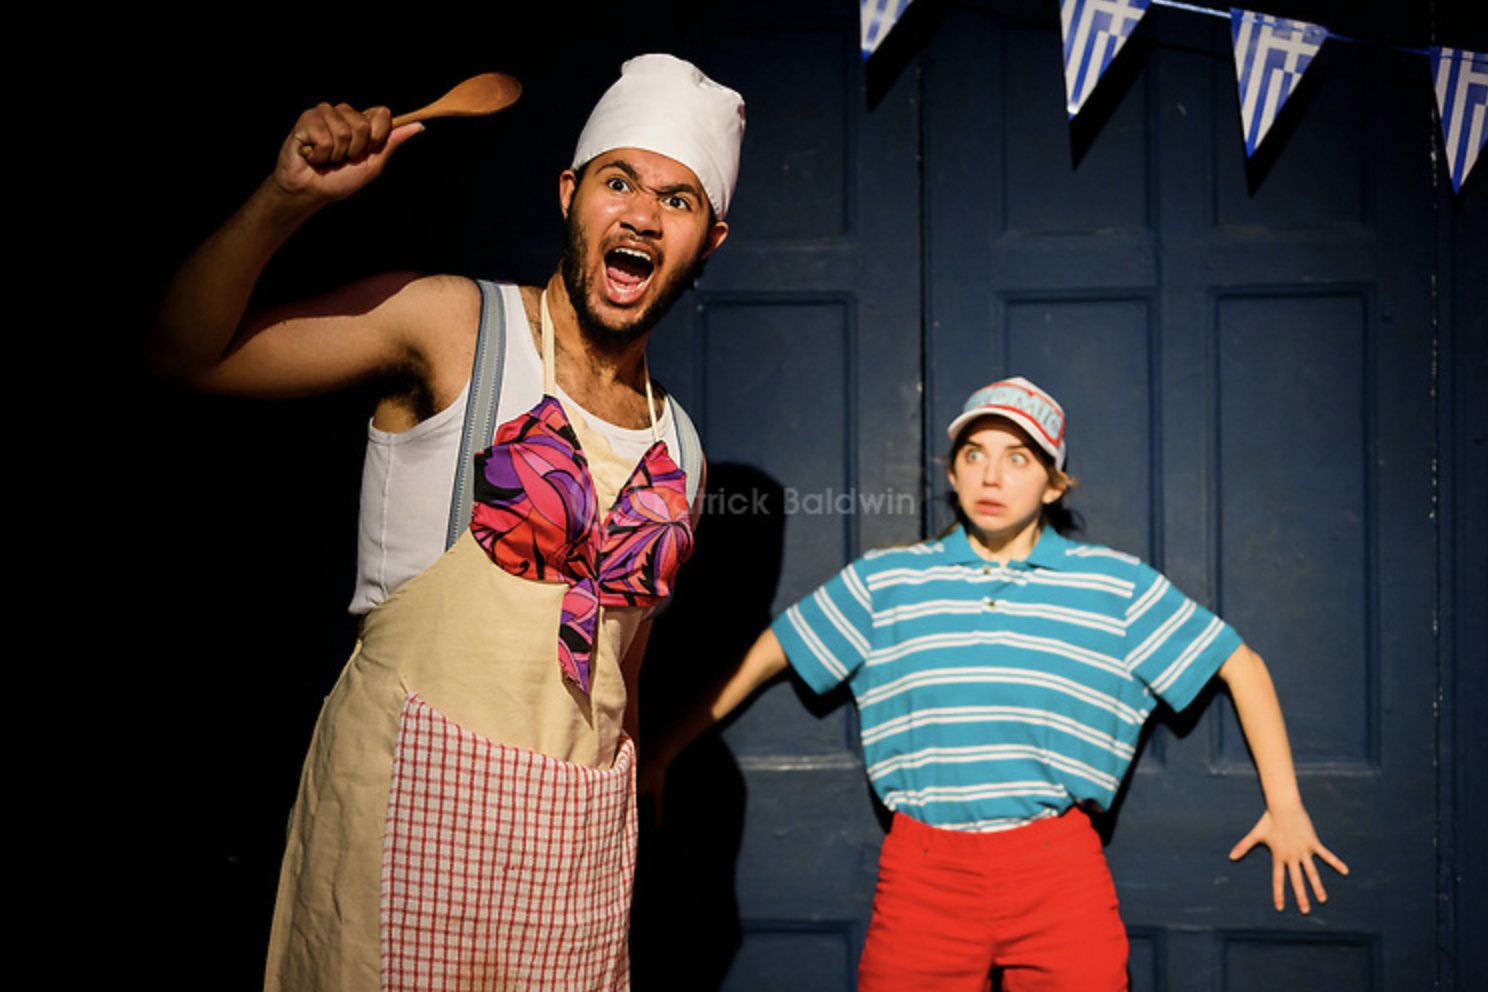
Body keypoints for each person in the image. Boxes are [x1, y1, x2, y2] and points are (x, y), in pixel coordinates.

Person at [149, 54, 745, 991]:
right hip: (409, 829)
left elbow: (620, 678)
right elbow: (184, 355)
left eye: (675, 199)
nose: (638, 213)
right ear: (569, 195)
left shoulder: (684, 449)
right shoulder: (451, 324)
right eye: (617, 181)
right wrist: (285, 198)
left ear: (707, 241)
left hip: (569, 879)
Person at [644, 376, 1349, 991]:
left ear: (1053, 482)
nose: (991, 476)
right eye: (974, 455)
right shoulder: (887, 581)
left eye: (1019, 459)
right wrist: (664, 750)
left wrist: (1285, 806)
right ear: (951, 472)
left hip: (1058, 868)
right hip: (922, 871)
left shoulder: (1113, 586)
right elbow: (771, 651)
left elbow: (1239, 663)